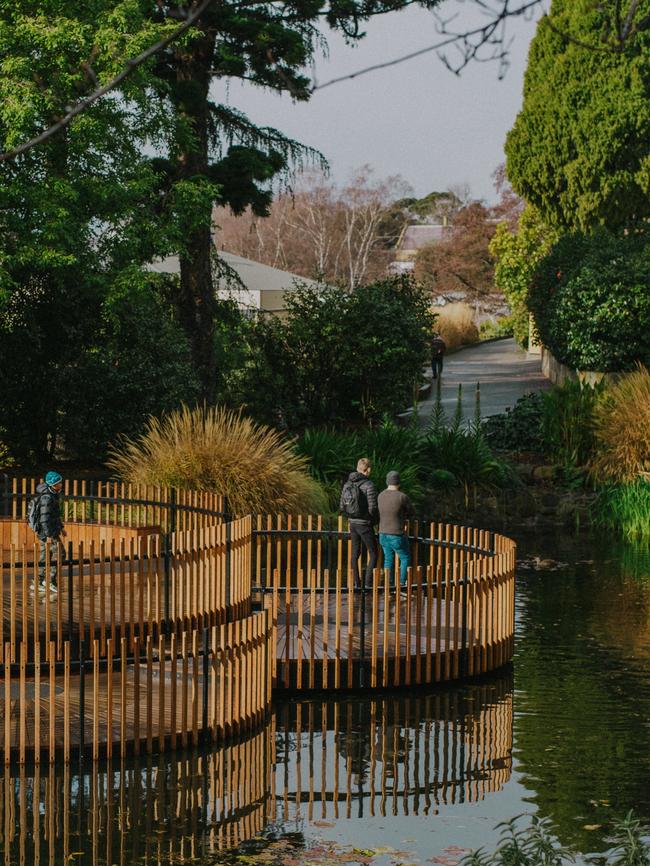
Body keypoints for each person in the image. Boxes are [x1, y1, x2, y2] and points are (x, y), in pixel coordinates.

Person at [340, 458, 379, 587]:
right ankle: (367, 585)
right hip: (364, 524)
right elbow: (373, 508)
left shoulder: (347, 483)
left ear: (357, 468)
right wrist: (373, 520)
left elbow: (342, 506)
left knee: (355, 554)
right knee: (373, 554)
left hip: (352, 523)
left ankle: (357, 584)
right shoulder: (369, 484)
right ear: (368, 470)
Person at [378, 471, 414, 590]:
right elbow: (412, 512)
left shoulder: (380, 495)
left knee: (388, 558)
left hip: (382, 533)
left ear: (387, 481)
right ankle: (402, 584)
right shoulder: (402, 497)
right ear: (398, 482)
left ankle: (389, 585)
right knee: (405, 558)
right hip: (396, 534)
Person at [33, 471, 67, 593]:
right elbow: (44, 518)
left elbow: (55, 515)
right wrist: (48, 535)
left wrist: (61, 527)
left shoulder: (53, 494)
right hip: (48, 532)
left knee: (45, 555)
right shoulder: (47, 498)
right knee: (61, 553)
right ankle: (50, 580)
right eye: (59, 482)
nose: (61, 484)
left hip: (49, 531)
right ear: (53, 484)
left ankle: (39, 581)